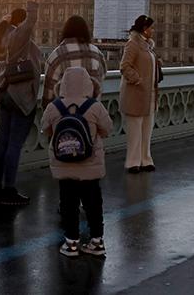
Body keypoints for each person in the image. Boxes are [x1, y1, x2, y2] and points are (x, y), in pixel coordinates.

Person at [41, 67, 114, 258]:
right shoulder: (95, 106)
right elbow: (108, 129)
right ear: (89, 85)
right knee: (93, 204)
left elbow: (45, 129)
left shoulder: (54, 106)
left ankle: (71, 243)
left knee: (68, 204)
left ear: (63, 85)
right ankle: (97, 242)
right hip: (90, 165)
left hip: (64, 165)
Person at [0, 0, 43, 207]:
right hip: (19, 96)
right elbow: (31, 22)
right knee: (14, 145)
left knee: (3, 143)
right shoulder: (17, 35)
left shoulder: (1, 36)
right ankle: (9, 189)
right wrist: (32, 3)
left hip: (5, 94)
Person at [119, 15, 163, 174]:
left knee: (146, 130)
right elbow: (124, 67)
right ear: (144, 29)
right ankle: (132, 162)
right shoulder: (132, 45)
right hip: (136, 94)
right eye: (151, 27)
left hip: (150, 95)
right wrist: (138, 80)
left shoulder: (148, 46)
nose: (153, 30)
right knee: (135, 130)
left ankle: (146, 159)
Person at [42, 16, 108, 106]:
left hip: (65, 115)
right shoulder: (96, 53)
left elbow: (49, 90)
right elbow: (102, 77)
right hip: (93, 112)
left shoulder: (57, 55)